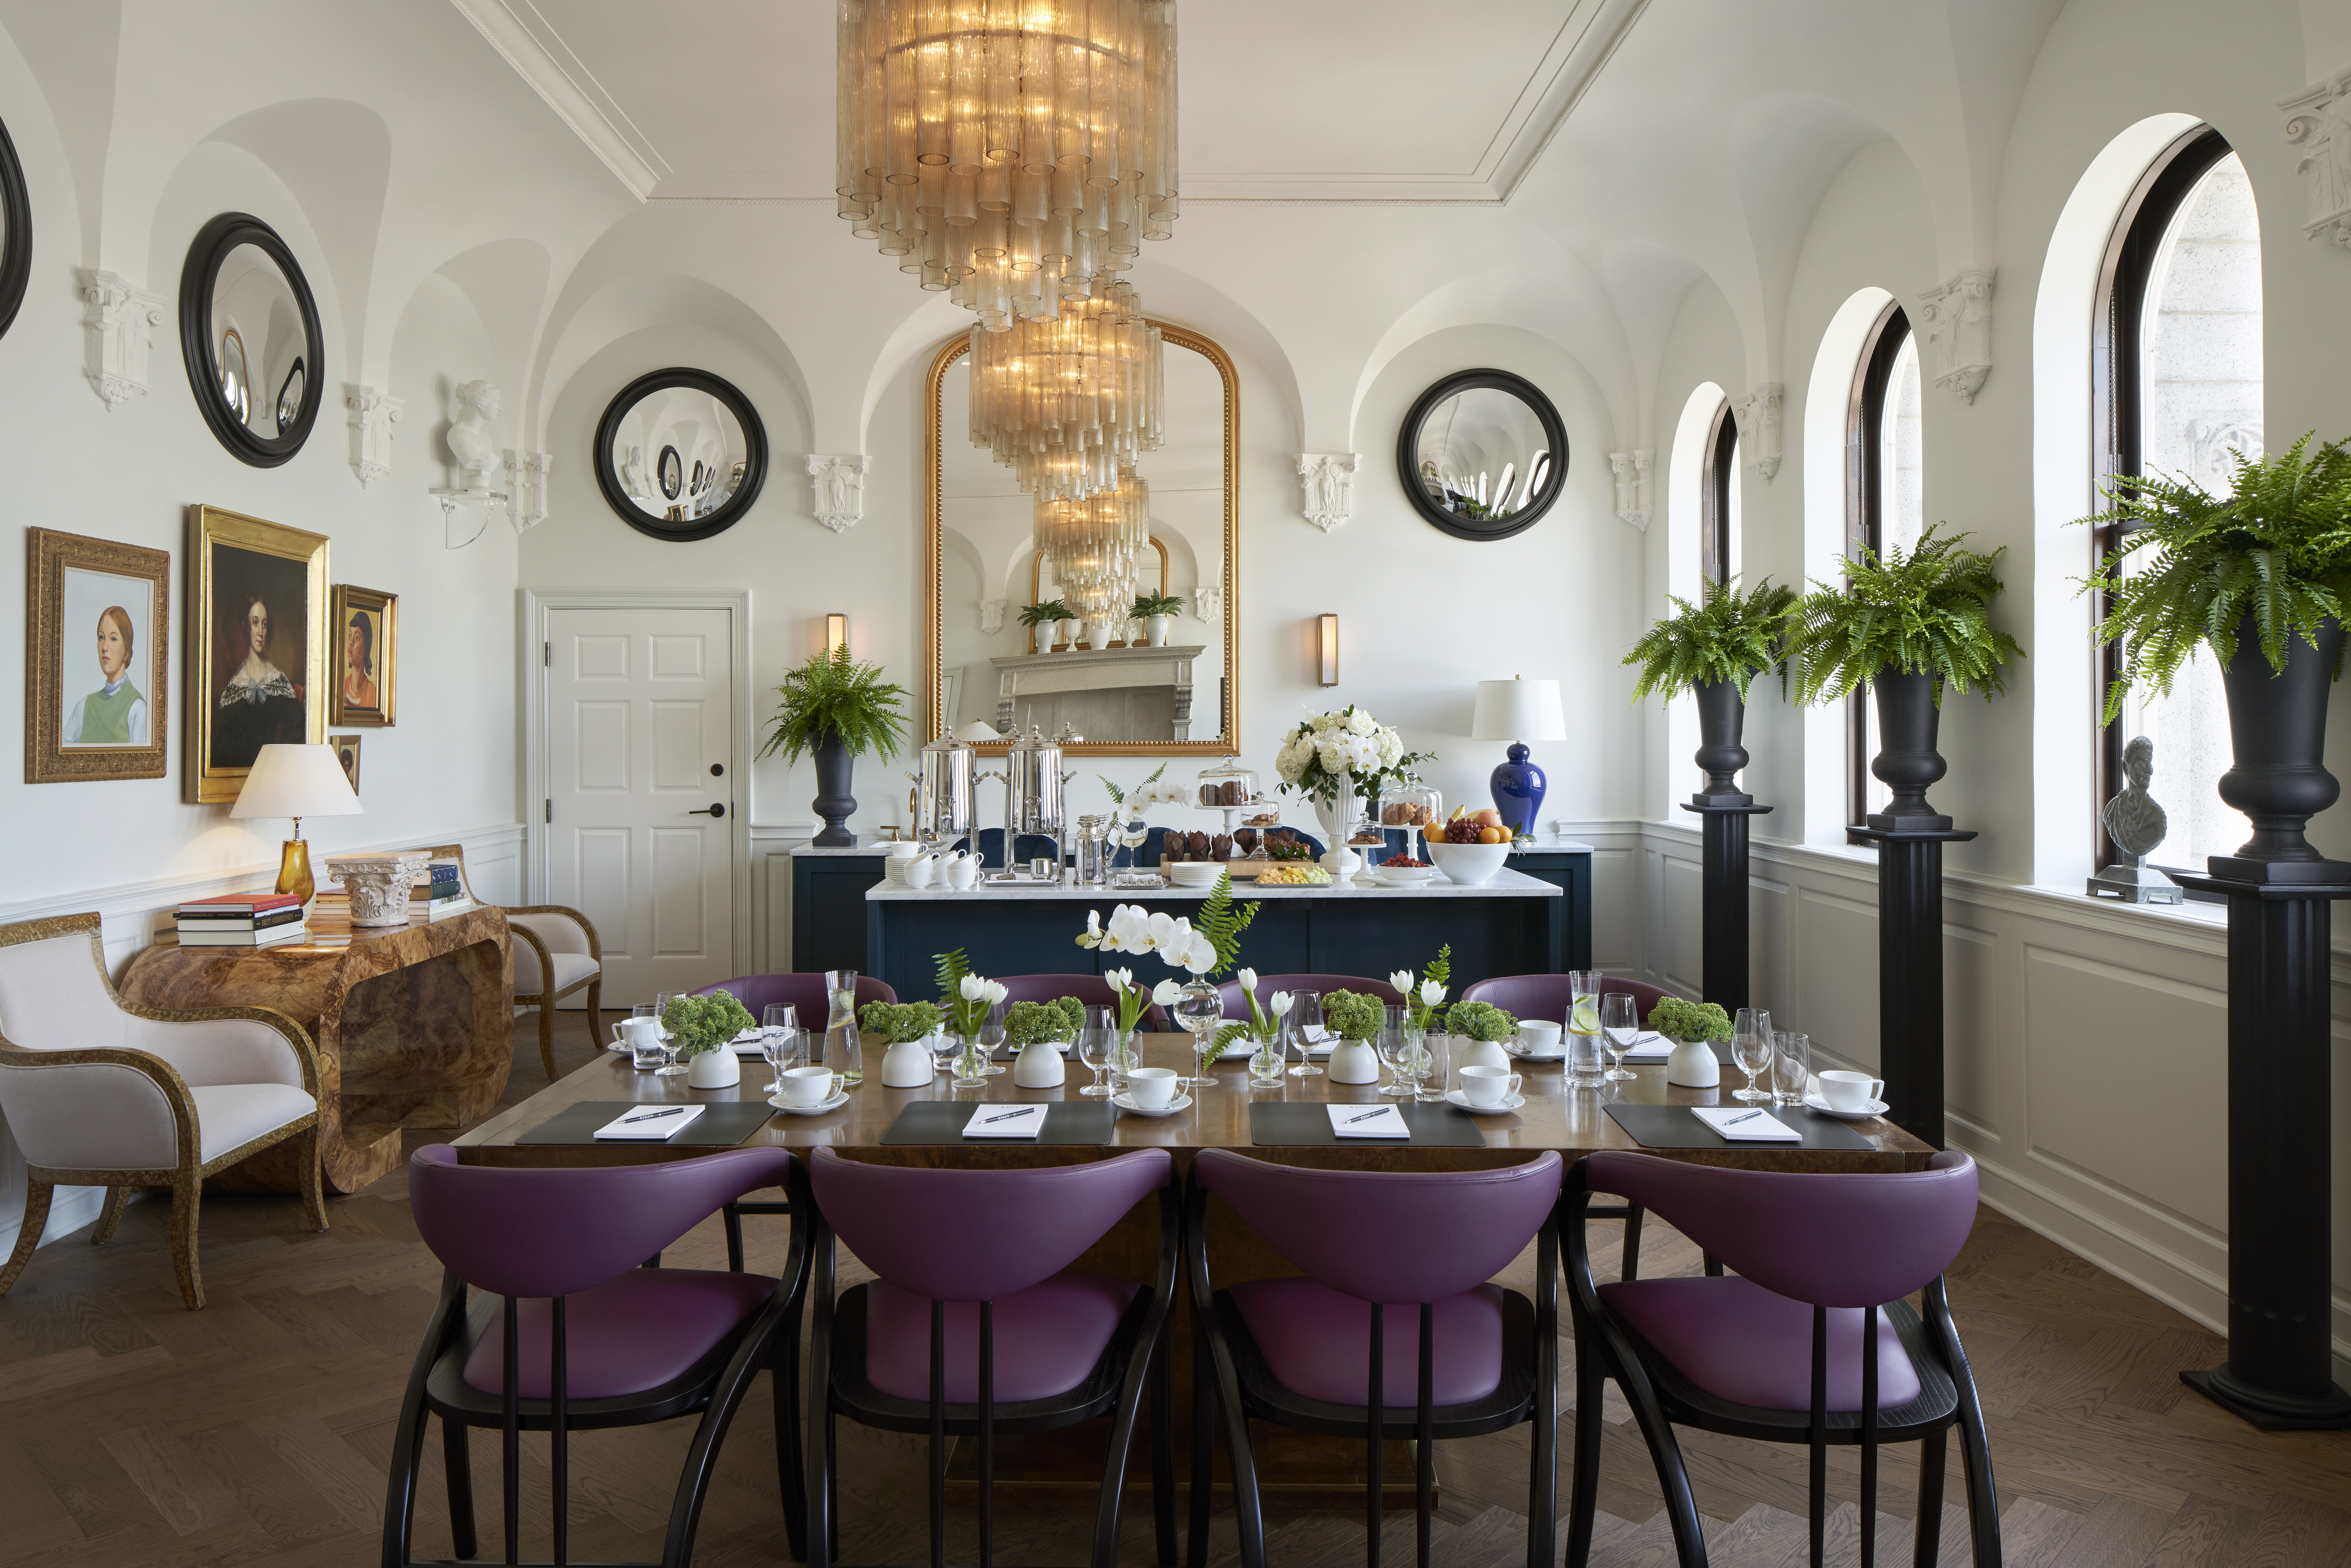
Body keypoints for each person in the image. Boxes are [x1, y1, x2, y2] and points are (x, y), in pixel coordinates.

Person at [213, 592, 304, 768]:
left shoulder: (278, 680)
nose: (261, 633)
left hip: (272, 772)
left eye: (264, 624)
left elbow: (296, 733)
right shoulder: (235, 688)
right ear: (245, 627)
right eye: (255, 623)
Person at [64, 605, 147, 745]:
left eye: (113, 639)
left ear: (126, 652)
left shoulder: (137, 709)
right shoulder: (84, 706)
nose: (104, 648)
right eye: (101, 637)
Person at [341, 610, 378, 710]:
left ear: (366, 648)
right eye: (350, 636)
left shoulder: (373, 694)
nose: (351, 642)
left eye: (357, 638)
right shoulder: (340, 688)